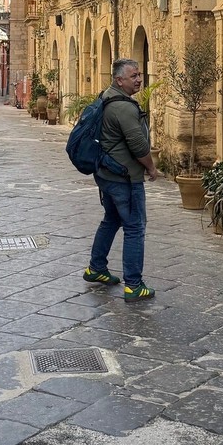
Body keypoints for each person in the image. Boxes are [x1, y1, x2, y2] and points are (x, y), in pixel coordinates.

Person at [84, 57, 158, 302]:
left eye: (139, 75)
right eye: (133, 76)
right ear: (119, 80)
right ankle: (134, 285)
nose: (139, 79)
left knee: (111, 219)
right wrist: (151, 168)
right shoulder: (124, 107)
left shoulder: (106, 96)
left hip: (107, 173)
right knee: (135, 228)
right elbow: (138, 144)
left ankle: (96, 269)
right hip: (124, 178)